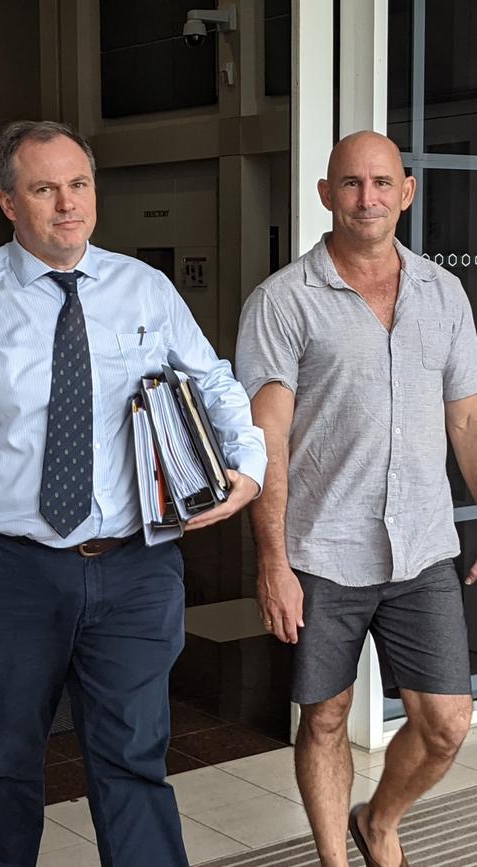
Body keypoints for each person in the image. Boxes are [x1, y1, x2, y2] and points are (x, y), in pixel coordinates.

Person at [0, 121, 267, 867]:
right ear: (9, 202)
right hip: (13, 571)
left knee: (135, 759)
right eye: (45, 189)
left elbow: (217, 382)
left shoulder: (145, 288)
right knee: (9, 760)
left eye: (79, 185)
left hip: (136, 568)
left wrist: (250, 464)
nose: (68, 205)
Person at [236, 131, 477, 867]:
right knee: (327, 716)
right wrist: (272, 561)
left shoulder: (445, 292)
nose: (365, 198)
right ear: (325, 195)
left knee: (447, 721)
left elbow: (466, 417)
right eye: (349, 183)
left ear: (406, 191)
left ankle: (379, 821)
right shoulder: (282, 301)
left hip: (424, 545)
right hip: (322, 549)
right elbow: (266, 439)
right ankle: (336, 861)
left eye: (380, 183)